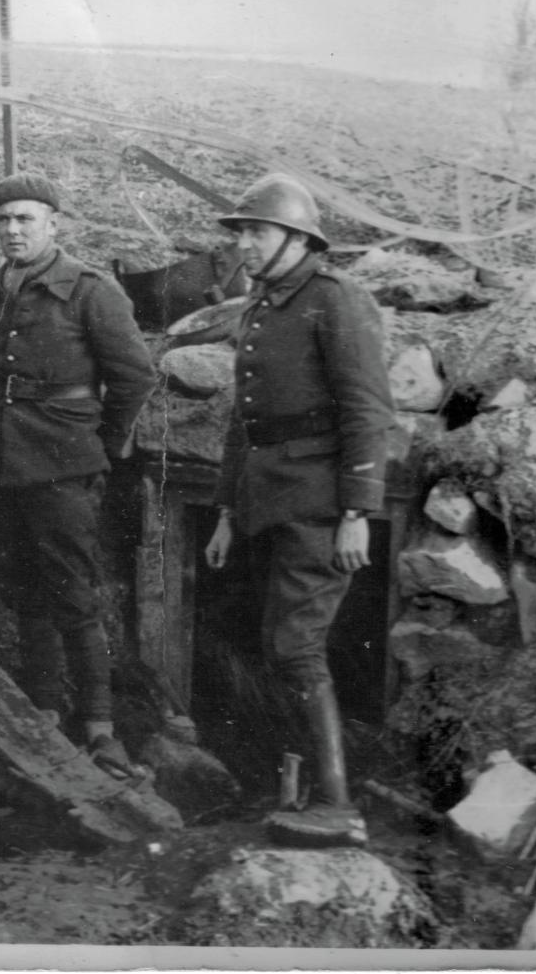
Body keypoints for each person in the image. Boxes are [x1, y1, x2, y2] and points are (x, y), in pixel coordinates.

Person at [203, 172, 394, 847]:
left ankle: (339, 804)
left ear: (295, 237)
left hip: (318, 505)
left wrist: (357, 511)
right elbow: (243, 421)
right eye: (242, 233)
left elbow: (367, 409)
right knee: (281, 645)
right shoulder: (261, 306)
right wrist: (225, 508)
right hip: (267, 501)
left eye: (256, 232)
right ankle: (305, 787)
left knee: (295, 645)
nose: (244, 245)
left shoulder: (334, 301)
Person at [0, 174, 155, 775]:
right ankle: (43, 708)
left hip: (65, 462)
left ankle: (99, 725)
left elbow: (134, 375)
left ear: (54, 224)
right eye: (4, 221)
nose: (14, 230)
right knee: (23, 583)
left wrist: (98, 443)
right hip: (2, 459)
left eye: (26, 219)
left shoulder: (90, 290)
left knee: (73, 590)